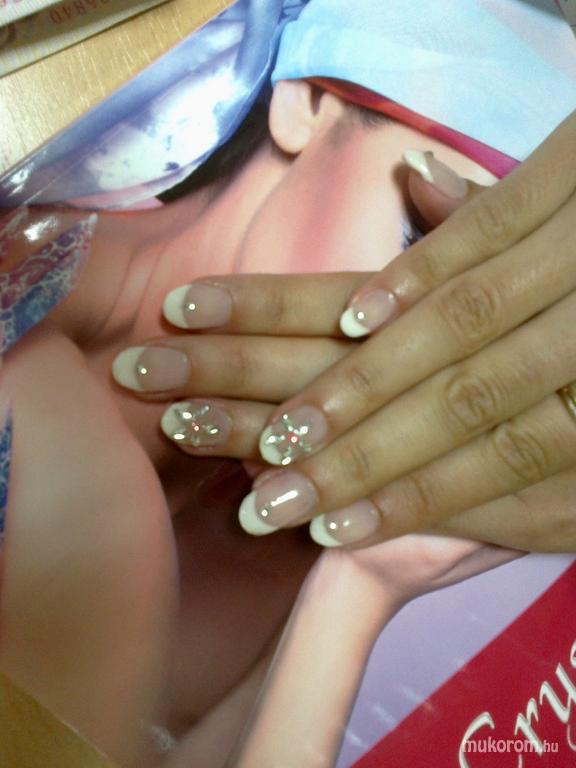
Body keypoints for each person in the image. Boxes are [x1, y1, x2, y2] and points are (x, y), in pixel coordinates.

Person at [1, 2, 575, 767]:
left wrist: (359, 587)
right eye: (420, 246)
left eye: (500, 347)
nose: (421, 367)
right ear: (305, 101)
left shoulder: (278, 552)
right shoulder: (78, 489)